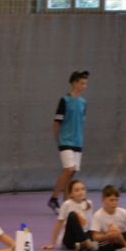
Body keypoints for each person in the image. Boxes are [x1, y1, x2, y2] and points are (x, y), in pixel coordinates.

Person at [48, 71, 89, 213]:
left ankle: (66, 203)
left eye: (85, 83)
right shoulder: (64, 100)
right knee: (68, 169)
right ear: (74, 83)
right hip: (65, 140)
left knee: (72, 173)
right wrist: (58, 139)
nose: (84, 86)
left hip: (78, 142)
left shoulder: (83, 103)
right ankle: (54, 198)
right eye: (82, 83)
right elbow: (56, 123)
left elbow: (81, 121)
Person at [89, 185, 126, 251]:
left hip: (121, 238)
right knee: (114, 230)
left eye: (116, 200)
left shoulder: (123, 212)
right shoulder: (98, 215)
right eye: (111, 200)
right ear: (103, 200)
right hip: (108, 243)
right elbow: (95, 236)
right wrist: (106, 236)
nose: (114, 202)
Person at [42, 179, 96, 251]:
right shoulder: (67, 204)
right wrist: (52, 243)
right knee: (72, 215)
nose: (81, 192)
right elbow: (58, 224)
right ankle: (86, 243)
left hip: (83, 234)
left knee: (97, 232)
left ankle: (81, 245)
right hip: (70, 238)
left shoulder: (89, 203)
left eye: (82, 189)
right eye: (77, 190)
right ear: (71, 194)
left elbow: (91, 224)